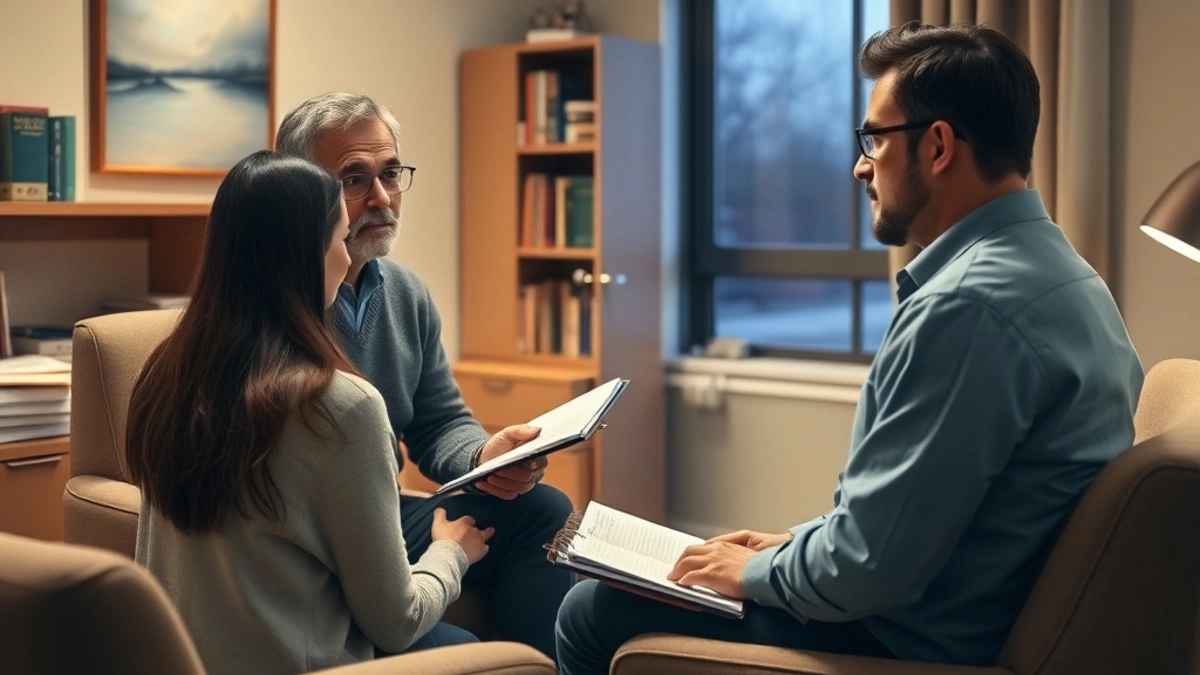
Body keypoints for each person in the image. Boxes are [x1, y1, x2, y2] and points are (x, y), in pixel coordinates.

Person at [555, 21, 1144, 674]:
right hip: (946, 611)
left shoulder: (968, 308)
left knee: (592, 611)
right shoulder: (1067, 277)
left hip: (904, 643)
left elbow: (865, 570)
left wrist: (757, 570)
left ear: (939, 145)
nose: (860, 164)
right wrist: (786, 547)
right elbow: (913, 523)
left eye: (874, 138)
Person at [126, 151, 496, 674]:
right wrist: (450, 554)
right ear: (302, 254)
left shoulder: (163, 374)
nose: (348, 260)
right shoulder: (340, 406)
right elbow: (396, 620)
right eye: (340, 240)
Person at [275, 92, 574, 658]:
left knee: (546, 510)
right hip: (313, 529)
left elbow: (438, 421)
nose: (382, 198)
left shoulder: (407, 293)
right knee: (451, 638)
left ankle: (533, 666)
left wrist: (485, 457)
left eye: (391, 173)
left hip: (381, 514)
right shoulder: (278, 297)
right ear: (301, 190)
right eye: (354, 179)